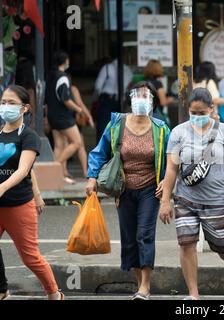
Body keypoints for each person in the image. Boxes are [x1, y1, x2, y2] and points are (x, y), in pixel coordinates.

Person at [159, 88, 224, 300]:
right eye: (193, 112)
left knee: (221, 244)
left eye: (201, 112)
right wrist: (165, 200)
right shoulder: (179, 133)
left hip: (215, 198)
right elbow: (171, 169)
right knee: (186, 243)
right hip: (185, 198)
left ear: (211, 109)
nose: (197, 117)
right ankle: (193, 294)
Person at [86, 81, 170, 300]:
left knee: (145, 235)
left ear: (152, 100)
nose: (141, 99)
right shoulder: (116, 124)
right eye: (137, 95)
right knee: (130, 238)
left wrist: (168, 183)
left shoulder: (160, 128)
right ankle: (139, 282)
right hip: (123, 189)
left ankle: (146, 286)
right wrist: (91, 177)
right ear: (130, 98)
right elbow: (99, 152)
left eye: (146, 95)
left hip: (150, 190)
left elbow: (173, 158)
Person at [0, 85, 64, 300]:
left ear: (25, 108)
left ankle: (54, 293)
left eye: (11, 103)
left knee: (30, 258)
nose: (5, 106)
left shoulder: (29, 136)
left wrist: (2, 187)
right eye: (2, 102)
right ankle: (1, 290)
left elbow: (24, 169)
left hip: (18, 204)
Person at [45, 51, 84, 184]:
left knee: (59, 145)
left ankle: (58, 177)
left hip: (52, 115)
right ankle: (55, 167)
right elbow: (66, 99)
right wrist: (79, 109)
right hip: (63, 116)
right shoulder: (63, 77)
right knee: (77, 142)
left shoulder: (50, 76)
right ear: (65, 61)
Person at [94, 52, 134, 143]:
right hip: (121, 102)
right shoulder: (128, 70)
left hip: (107, 100)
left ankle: (102, 153)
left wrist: (97, 98)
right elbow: (129, 88)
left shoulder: (107, 68)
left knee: (103, 128)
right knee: (118, 129)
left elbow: (97, 86)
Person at [143, 59, 174, 126]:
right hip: (155, 116)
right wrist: (171, 99)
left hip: (144, 116)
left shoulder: (143, 82)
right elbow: (163, 102)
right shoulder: (157, 84)